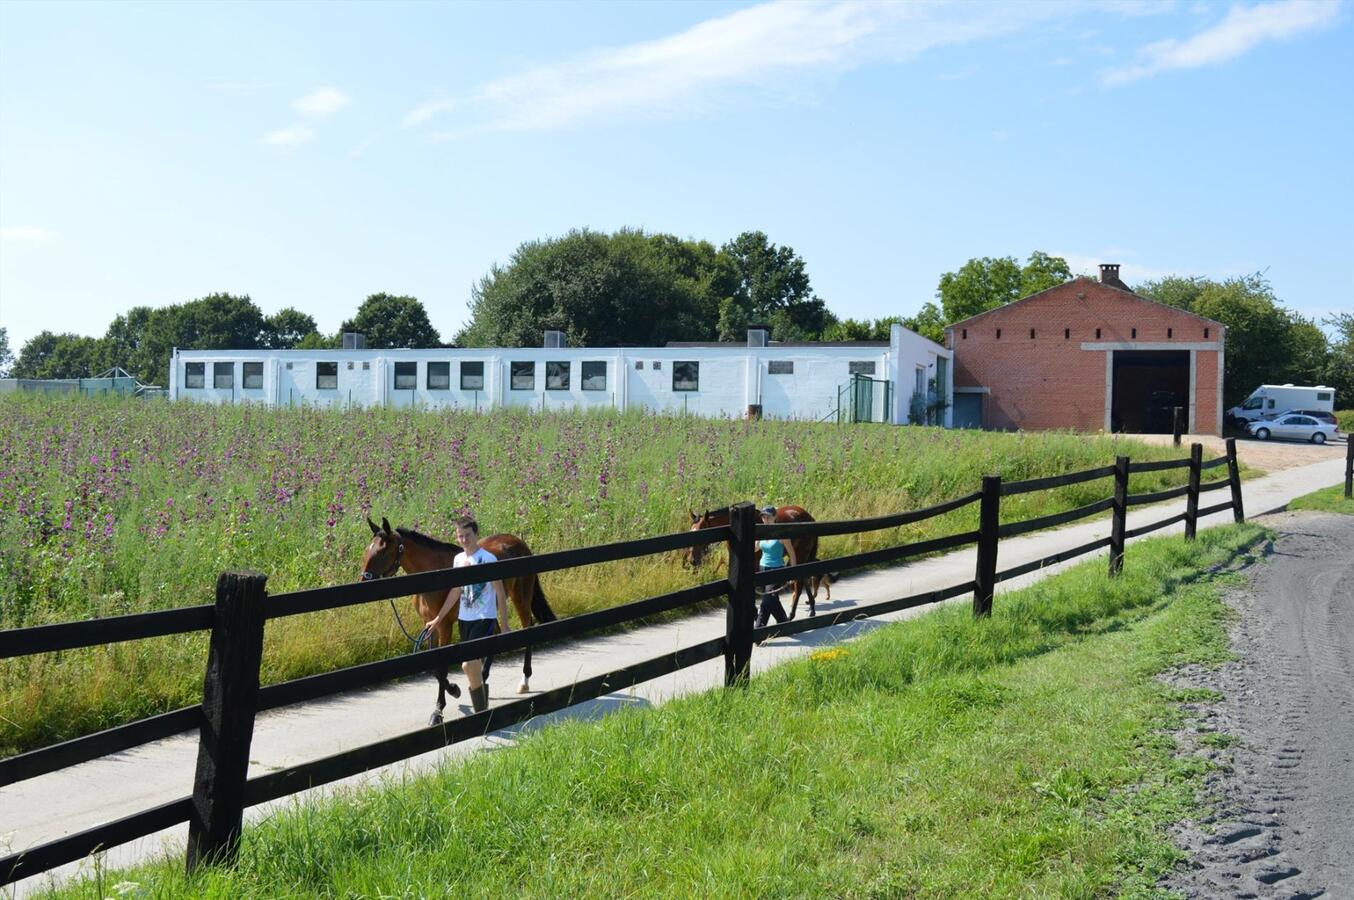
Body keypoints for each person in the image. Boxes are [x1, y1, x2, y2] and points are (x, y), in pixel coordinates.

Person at [426, 515, 510, 714]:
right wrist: (438, 618)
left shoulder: (488, 559)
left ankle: (481, 712)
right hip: (465, 619)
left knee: (467, 665)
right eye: (460, 536)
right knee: (472, 667)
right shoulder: (458, 559)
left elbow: (500, 592)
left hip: (484, 618)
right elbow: (456, 591)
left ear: (476, 534)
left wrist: (504, 624)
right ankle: (483, 709)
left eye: (467, 535)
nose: (464, 539)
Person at [754, 505, 796, 631]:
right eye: (763, 517)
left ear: (775, 517)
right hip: (763, 569)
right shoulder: (761, 533)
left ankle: (759, 631)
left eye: (768, 517)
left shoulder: (781, 534)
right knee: (772, 600)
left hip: (777, 570)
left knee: (766, 601)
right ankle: (784, 623)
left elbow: (792, 554)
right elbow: (755, 548)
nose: (765, 519)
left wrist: (793, 573)